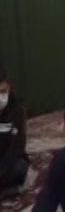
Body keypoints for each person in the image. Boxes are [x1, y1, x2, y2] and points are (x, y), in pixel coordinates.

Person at [0, 68, 28, 199]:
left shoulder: (17, 110)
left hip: (8, 162)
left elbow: (17, 146)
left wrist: (2, 170)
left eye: (3, 92)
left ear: (9, 88)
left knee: (20, 168)